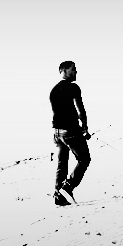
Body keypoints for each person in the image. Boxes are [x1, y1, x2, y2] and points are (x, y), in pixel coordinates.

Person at [50, 60, 92, 206]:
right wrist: (85, 127)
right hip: (70, 131)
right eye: (73, 69)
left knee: (62, 163)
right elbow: (80, 109)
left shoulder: (53, 90)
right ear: (63, 71)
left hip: (57, 132)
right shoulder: (73, 87)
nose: (75, 72)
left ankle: (58, 196)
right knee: (84, 159)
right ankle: (67, 187)